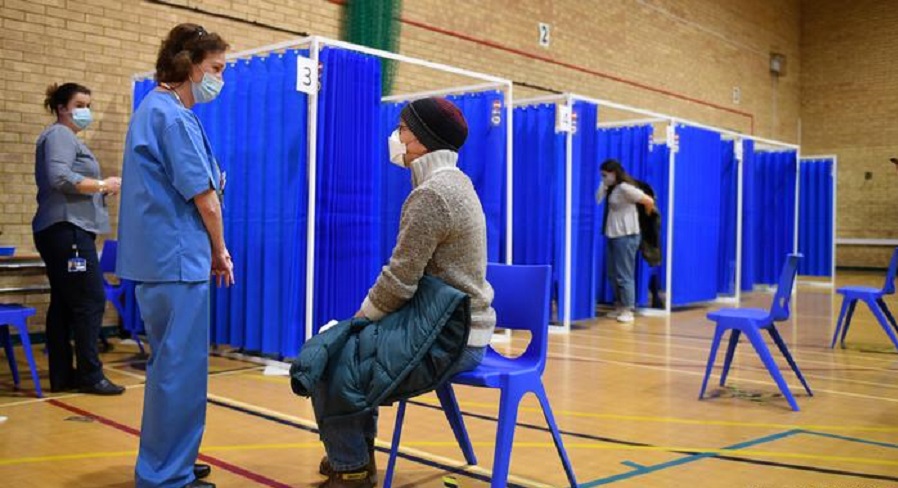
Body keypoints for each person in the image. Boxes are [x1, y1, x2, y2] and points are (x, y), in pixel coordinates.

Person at [314, 97, 496, 488]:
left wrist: (357, 321)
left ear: (424, 141)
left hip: (451, 336)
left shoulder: (432, 194)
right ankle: (354, 457)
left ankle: (351, 466)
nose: (396, 137)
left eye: (403, 130)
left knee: (329, 355)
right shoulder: (453, 183)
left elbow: (400, 280)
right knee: (350, 350)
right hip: (453, 325)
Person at [116, 23, 232, 488]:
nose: (220, 80)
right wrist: (220, 251)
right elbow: (205, 198)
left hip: (159, 260)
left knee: (169, 367)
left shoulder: (154, 109)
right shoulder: (173, 117)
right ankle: (166, 475)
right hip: (178, 260)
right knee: (179, 372)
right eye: (216, 69)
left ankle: (170, 460)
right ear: (189, 65)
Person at [33, 82, 125, 396]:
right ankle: (90, 375)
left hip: (63, 228)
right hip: (67, 229)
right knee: (90, 300)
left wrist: (100, 189)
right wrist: (102, 183)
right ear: (62, 107)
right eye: (80, 104)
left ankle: (63, 375)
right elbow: (59, 177)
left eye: (89, 104)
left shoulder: (65, 138)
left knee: (63, 304)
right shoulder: (59, 134)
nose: (86, 111)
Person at [596, 159, 655, 324]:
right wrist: (604, 185)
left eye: (605, 175)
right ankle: (620, 306)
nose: (603, 178)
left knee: (624, 274)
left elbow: (648, 201)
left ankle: (628, 309)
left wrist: (646, 220)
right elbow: (597, 199)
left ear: (614, 173)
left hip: (626, 235)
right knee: (612, 273)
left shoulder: (625, 188)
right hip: (613, 234)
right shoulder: (611, 188)